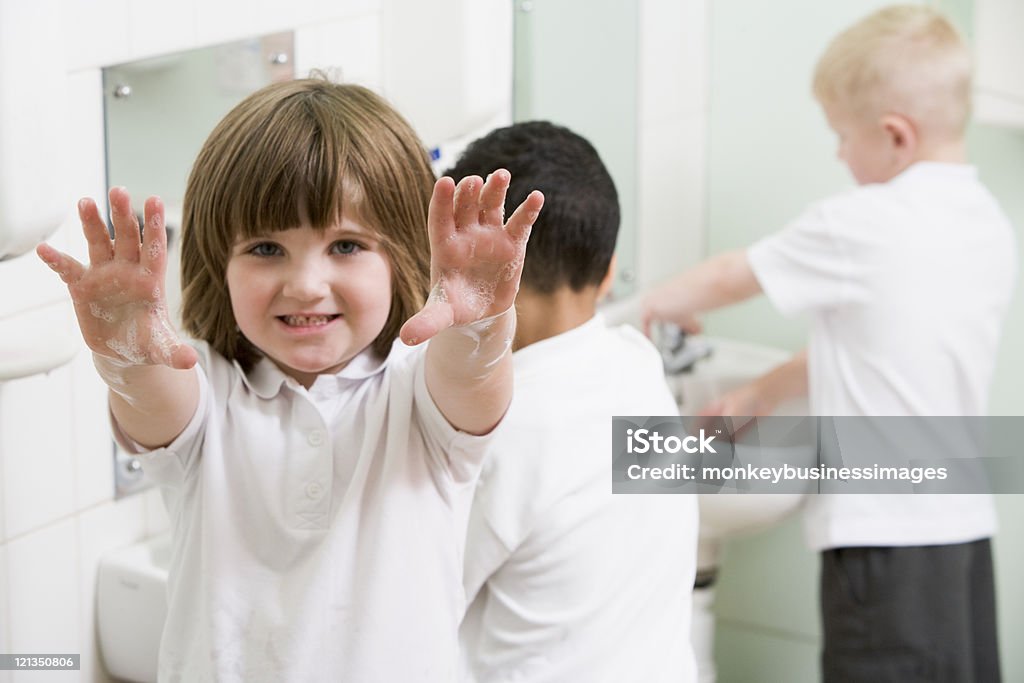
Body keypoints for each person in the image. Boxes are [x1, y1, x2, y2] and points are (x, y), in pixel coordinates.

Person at [36, 78, 544, 682]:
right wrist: (125, 354)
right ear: (217, 262)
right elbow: (151, 396)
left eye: (347, 245)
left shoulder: (419, 399)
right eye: (267, 249)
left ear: (405, 255)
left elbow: (471, 377)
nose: (305, 284)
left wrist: (482, 322)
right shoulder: (209, 394)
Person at [642, 6, 1016, 682]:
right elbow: (879, 351)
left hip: (882, 543)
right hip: (961, 535)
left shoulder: (864, 221)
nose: (838, 152)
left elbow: (732, 274)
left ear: (894, 135)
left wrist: (647, 306)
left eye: (842, 135)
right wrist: (756, 392)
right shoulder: (985, 222)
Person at [447, 121, 698, 682]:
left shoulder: (498, 433)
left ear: (474, 268)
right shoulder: (635, 364)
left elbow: (413, 604)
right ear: (608, 271)